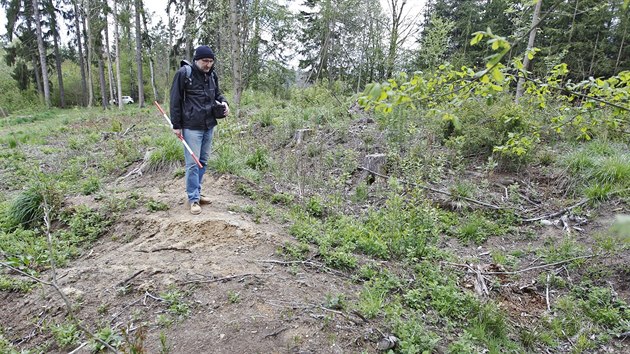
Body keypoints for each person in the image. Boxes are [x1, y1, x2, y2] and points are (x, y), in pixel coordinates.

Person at [169, 45, 229, 214]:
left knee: (202, 162)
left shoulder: (212, 75)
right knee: (193, 164)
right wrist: (176, 125)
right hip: (191, 126)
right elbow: (175, 100)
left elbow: (217, 94)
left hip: (209, 125)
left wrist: (225, 103)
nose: (208, 64)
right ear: (196, 60)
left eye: (210, 61)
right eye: (205, 61)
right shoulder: (184, 74)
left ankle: (197, 192)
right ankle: (193, 199)